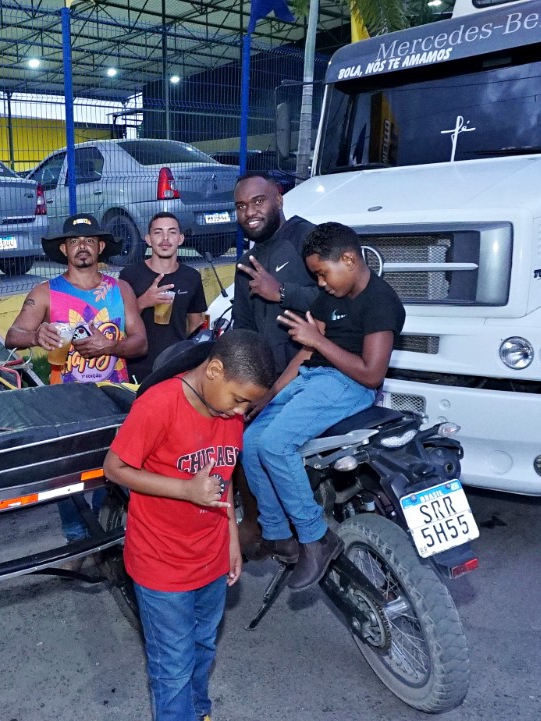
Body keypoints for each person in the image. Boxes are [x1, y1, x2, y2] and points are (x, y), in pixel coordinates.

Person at [103, 330, 275, 721]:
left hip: (211, 557)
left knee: (202, 647)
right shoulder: (158, 405)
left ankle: (197, 711)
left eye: (248, 405)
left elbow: (223, 480)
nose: (240, 412)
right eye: (238, 399)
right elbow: (114, 468)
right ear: (213, 370)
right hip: (161, 563)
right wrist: (185, 489)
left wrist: (231, 538)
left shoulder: (228, 414)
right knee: (173, 665)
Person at [242, 222, 405, 590]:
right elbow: (306, 353)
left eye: (322, 273)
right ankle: (278, 535)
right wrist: (270, 395)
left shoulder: (380, 301)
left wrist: (317, 340)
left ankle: (316, 538)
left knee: (275, 445)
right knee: (250, 441)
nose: (320, 283)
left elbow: (371, 374)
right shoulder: (329, 296)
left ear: (348, 260)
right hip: (311, 379)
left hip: (348, 385)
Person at [5, 212, 147, 542]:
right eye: (74, 241)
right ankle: (76, 538)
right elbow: (13, 336)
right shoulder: (45, 292)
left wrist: (110, 345)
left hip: (113, 399)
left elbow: (140, 343)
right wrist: (36, 336)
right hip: (66, 404)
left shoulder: (120, 289)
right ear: (64, 249)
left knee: (113, 468)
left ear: (100, 247)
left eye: (88, 240)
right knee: (67, 476)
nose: (82, 246)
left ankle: (103, 529)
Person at [232, 171, 319, 376]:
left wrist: (281, 292)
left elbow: (341, 302)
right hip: (267, 379)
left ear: (279, 201)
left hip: (315, 374)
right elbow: (243, 330)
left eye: (258, 201)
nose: (249, 212)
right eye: (241, 206)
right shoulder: (245, 264)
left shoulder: (308, 237)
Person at [118, 212, 207, 383]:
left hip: (176, 367)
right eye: (158, 232)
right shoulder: (129, 275)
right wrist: (143, 301)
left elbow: (195, 325)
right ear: (148, 239)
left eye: (172, 232)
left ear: (180, 239)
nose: (165, 239)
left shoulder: (191, 277)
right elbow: (117, 325)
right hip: (137, 367)